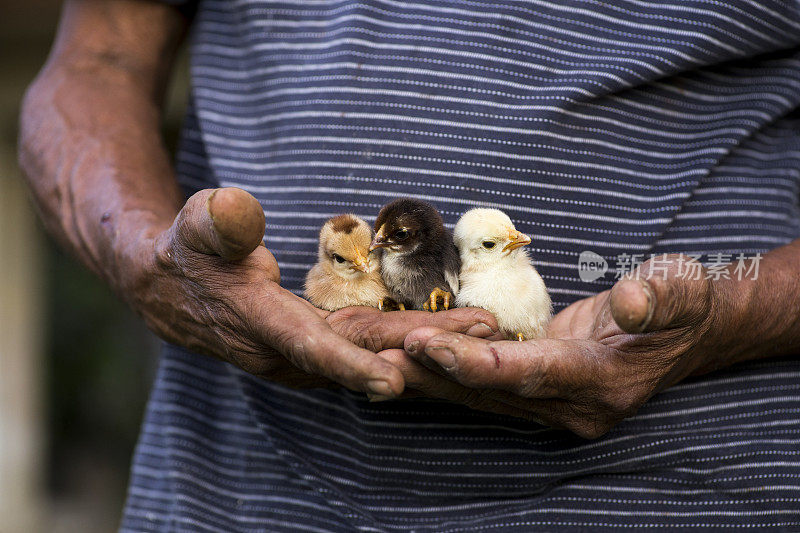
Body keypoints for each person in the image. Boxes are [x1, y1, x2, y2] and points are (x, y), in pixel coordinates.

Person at [19, 0, 800, 530]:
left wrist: (733, 314)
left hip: (675, 490)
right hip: (232, 490)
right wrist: (153, 257)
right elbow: (95, 60)